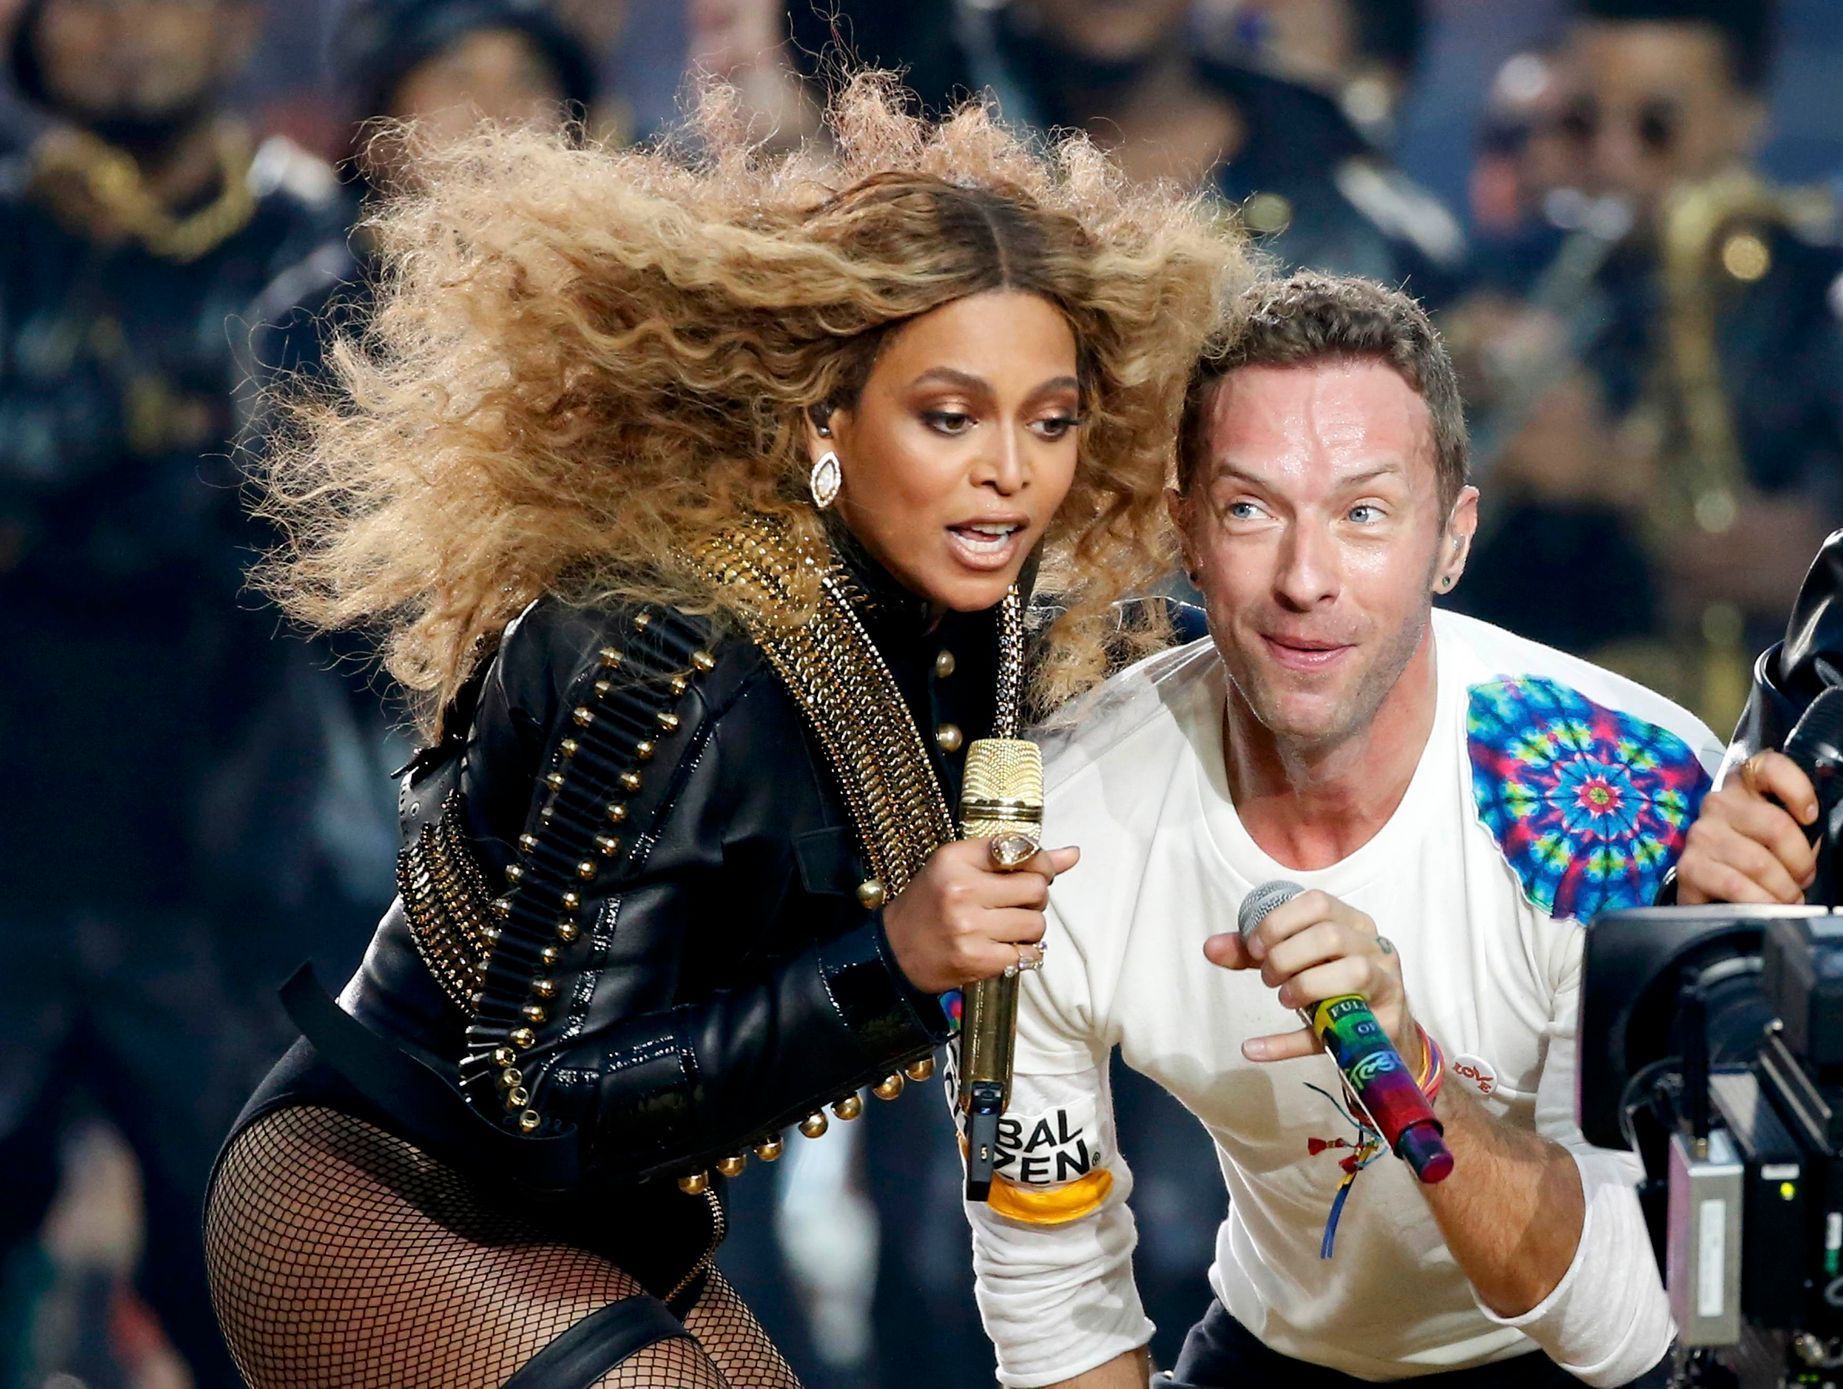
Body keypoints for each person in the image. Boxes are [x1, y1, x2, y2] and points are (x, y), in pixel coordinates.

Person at [201, 72, 1243, 1387]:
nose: (1010, 470)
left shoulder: (1001, 629)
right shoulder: (662, 652)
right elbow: (533, 1101)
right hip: (390, 1191)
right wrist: (891, 962)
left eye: (1051, 422)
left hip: (621, 1227)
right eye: (948, 417)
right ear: (823, 420)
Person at [964, 272, 1718, 1389]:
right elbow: (1053, 1296)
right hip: (1283, 1344)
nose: (1304, 580)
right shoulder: (1057, 824)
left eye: (1363, 513)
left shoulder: (1615, 789)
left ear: (1452, 539)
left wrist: (1410, 1063)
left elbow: (1622, 1328)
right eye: (1250, 509)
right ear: (1186, 530)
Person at [0, 0, 351, 1382]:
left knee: (258, 1295)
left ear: (235, 24)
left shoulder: (319, 245)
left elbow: (329, 525)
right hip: (18, 844)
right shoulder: (13, 237)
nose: (125, 29)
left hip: (244, 862)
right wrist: (169, 443)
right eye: (84, 3)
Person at [1452, 0, 1843, 726]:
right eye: (1581, 123)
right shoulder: (1504, 280)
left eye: (1654, 127)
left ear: (1745, 116)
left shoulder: (1816, 302)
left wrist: (1616, 476)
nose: (1610, 158)